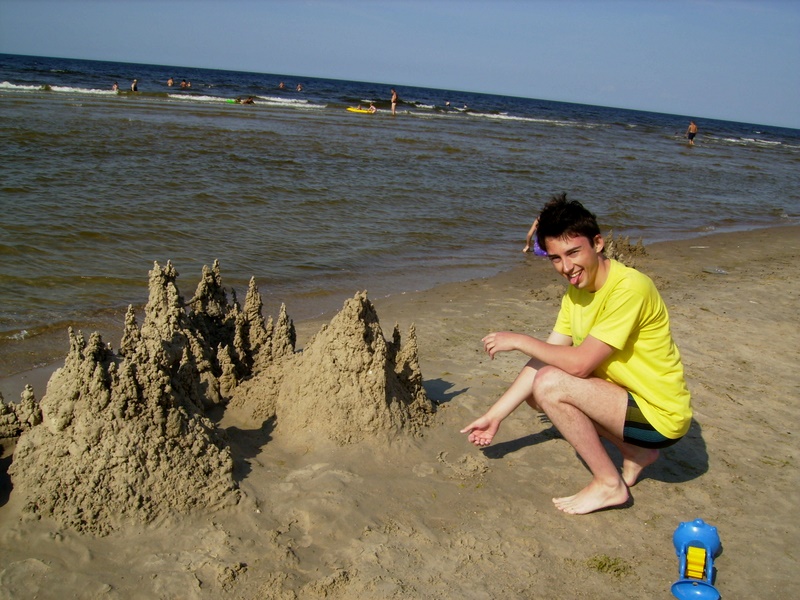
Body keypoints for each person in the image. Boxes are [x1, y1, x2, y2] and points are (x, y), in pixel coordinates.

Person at [461, 193, 692, 515]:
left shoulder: (629, 288)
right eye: (556, 258)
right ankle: (636, 453)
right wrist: (495, 415)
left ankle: (609, 485)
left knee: (550, 384)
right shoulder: (576, 293)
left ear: (597, 243)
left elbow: (581, 366)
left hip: (660, 415)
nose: (567, 267)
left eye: (573, 253)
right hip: (626, 401)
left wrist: (519, 340)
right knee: (538, 389)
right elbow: (545, 357)